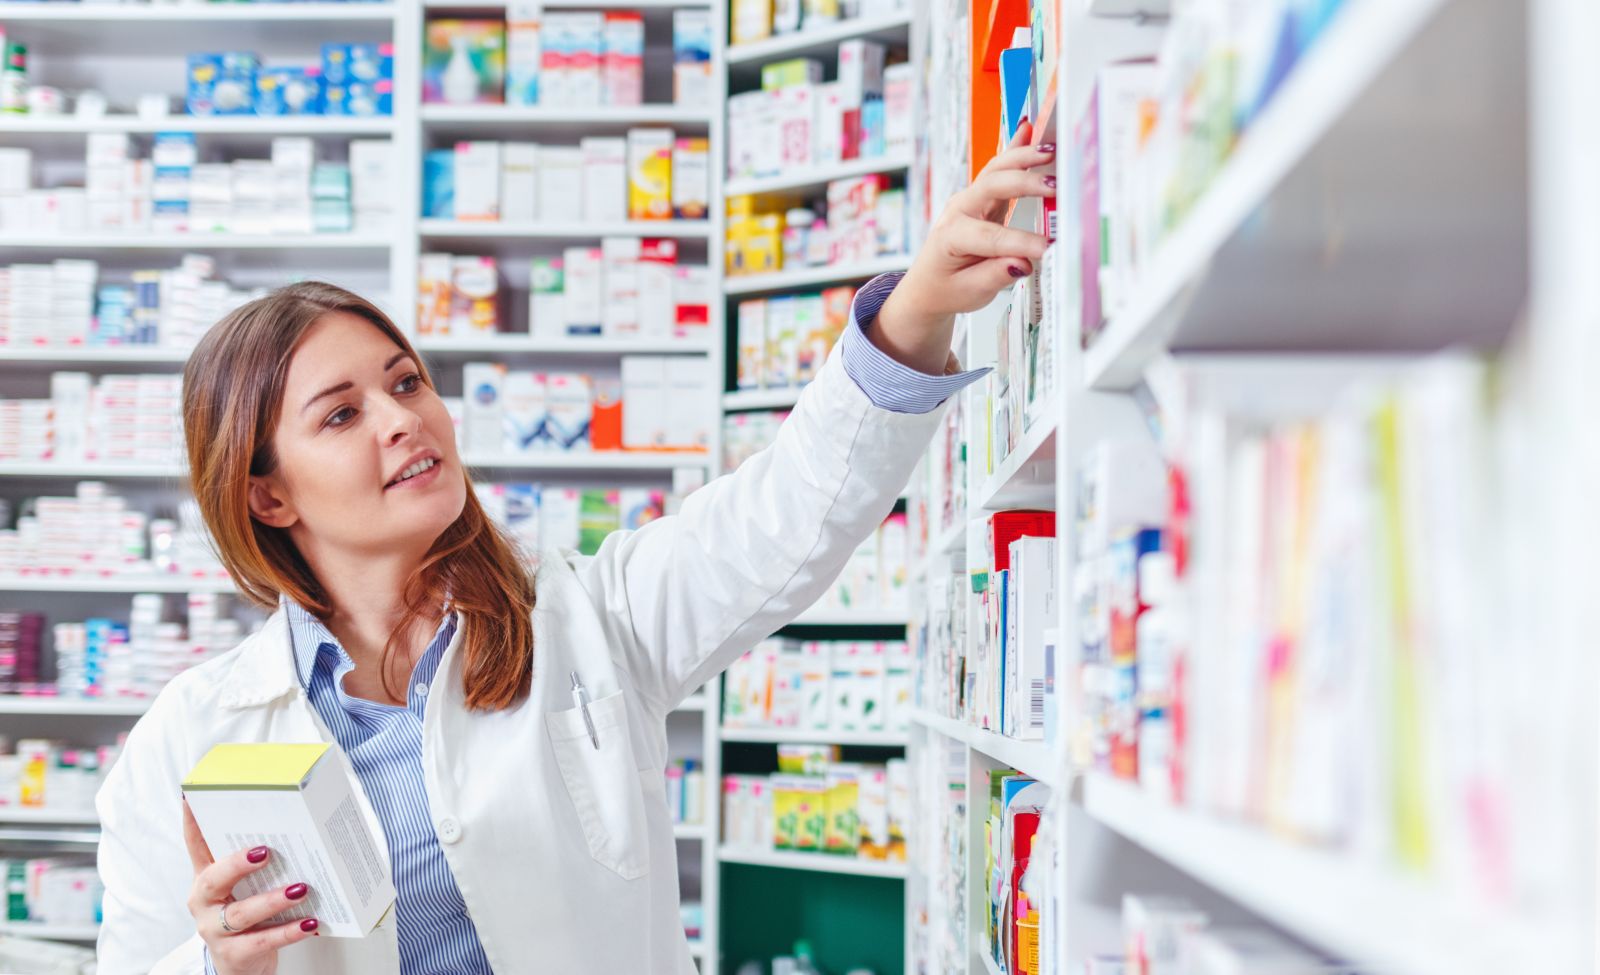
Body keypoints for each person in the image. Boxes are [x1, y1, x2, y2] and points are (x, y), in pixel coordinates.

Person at [94, 127, 1054, 975]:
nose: (402, 418)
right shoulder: (187, 740)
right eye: (342, 413)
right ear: (265, 492)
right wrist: (222, 962)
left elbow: (789, 510)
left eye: (406, 381)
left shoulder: (593, 616)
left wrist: (918, 308)